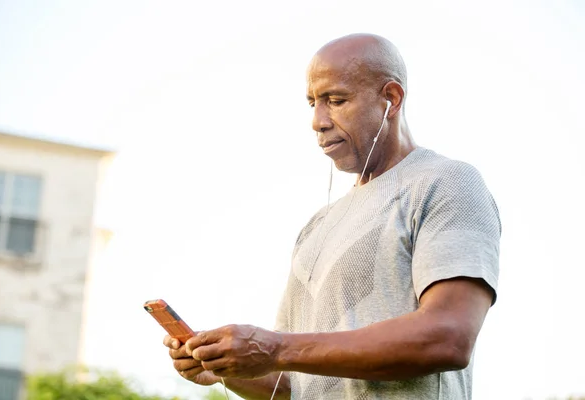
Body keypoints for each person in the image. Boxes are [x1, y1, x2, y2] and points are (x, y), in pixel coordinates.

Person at [164, 33, 501, 400]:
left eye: (335, 101)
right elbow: (293, 383)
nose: (317, 121)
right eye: (312, 103)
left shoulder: (445, 182)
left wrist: (276, 349)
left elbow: (448, 337)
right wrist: (225, 368)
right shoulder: (315, 227)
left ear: (391, 98)